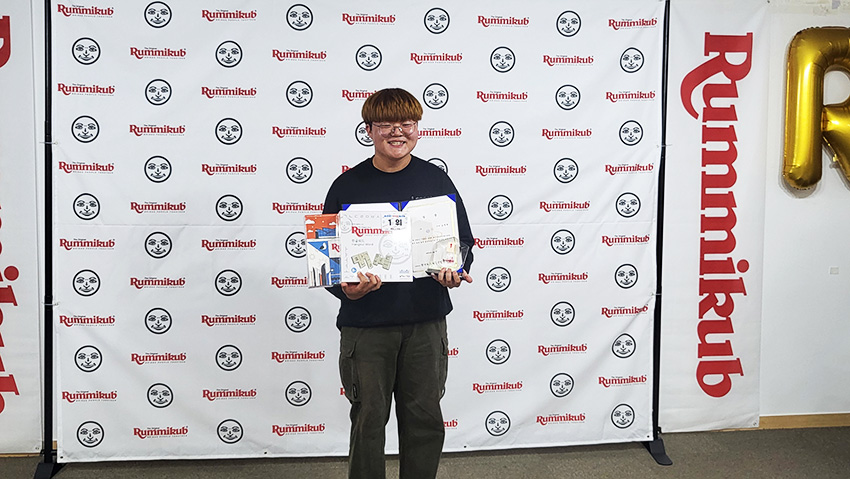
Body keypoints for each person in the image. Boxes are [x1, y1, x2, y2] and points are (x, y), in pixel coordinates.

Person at [322, 88, 474, 479]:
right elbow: (326, 257)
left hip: (425, 323)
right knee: (368, 421)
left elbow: (462, 242)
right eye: (386, 124)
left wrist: (455, 271)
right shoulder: (346, 186)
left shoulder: (436, 180)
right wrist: (346, 289)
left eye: (406, 123)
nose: (397, 132)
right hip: (366, 326)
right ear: (368, 130)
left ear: (417, 128)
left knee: (425, 421)